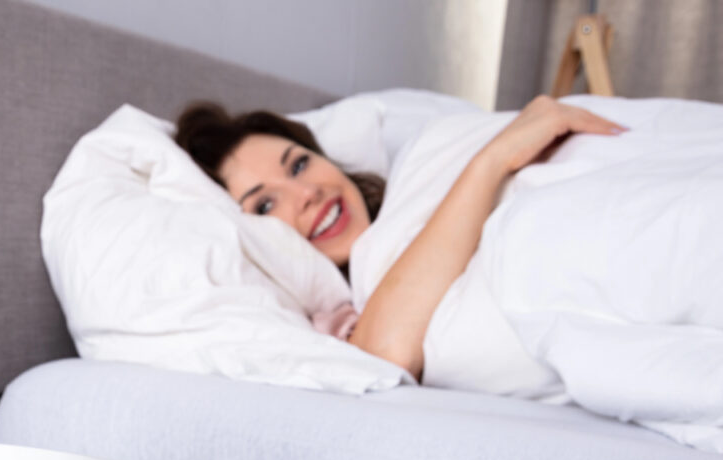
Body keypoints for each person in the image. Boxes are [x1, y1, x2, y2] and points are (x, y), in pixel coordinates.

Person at [175, 95, 626, 380]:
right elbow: (383, 353)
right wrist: (492, 161)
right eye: (265, 205)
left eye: (298, 165)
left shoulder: (417, 177)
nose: (307, 193)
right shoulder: (335, 325)